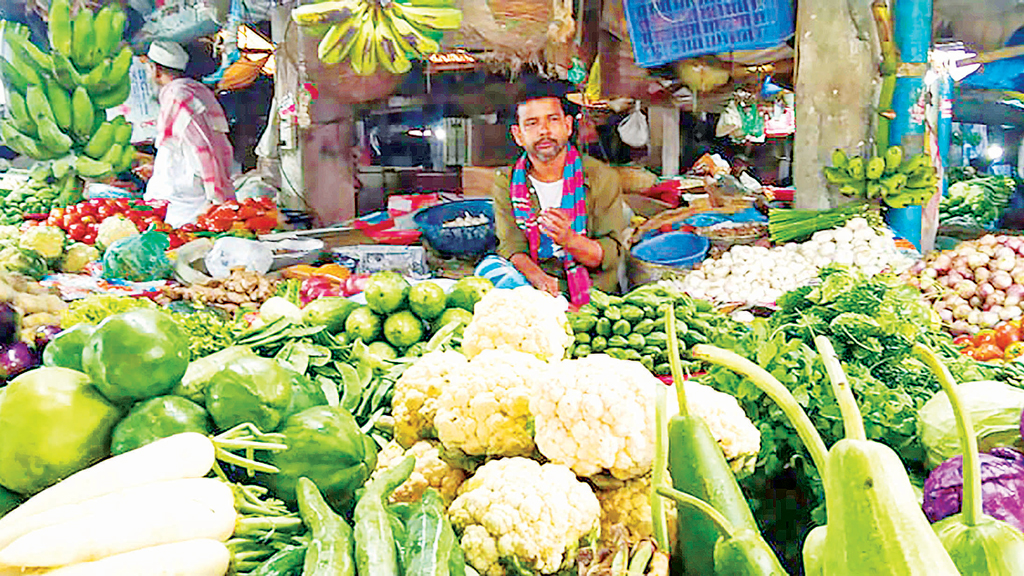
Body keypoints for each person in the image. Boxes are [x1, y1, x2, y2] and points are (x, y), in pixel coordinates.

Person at [481, 79, 628, 306]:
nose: (544, 131)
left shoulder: (601, 177)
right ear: (518, 135)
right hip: (537, 296)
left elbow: (609, 255)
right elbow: (512, 247)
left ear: (568, 126)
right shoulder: (506, 182)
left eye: (552, 119)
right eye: (531, 123)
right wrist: (539, 279)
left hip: (595, 299)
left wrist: (569, 239)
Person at [135, 39, 236, 227]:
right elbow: (183, 149)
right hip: (184, 200)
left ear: (156, 70)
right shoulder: (194, 91)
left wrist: (216, 199)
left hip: (186, 208)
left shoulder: (178, 95)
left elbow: (201, 149)